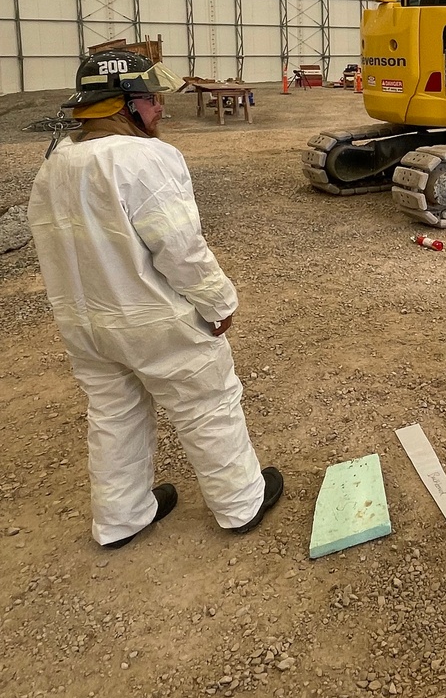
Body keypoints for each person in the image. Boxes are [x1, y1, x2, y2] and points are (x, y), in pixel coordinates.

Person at [27, 50, 283, 547]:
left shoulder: (55, 164)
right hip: (152, 319)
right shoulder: (143, 158)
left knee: (114, 414)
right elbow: (180, 247)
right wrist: (218, 302)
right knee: (207, 404)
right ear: (122, 104)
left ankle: (120, 519)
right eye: (150, 98)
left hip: (85, 324)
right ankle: (240, 504)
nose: (160, 106)